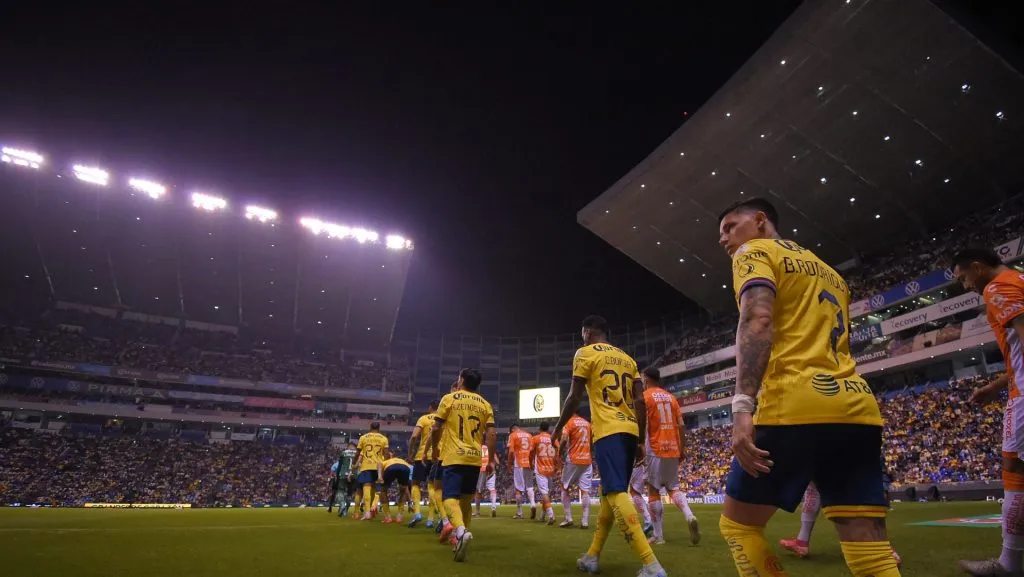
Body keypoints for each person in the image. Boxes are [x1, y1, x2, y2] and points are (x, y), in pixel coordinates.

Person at [716, 197, 900, 577]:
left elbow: (757, 318)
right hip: (856, 411)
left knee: (738, 525)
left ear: (761, 221)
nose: (723, 239)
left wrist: (741, 405)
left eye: (729, 227)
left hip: (794, 406)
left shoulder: (755, 251)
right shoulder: (830, 272)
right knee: (871, 551)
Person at [553, 315, 667, 577]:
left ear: (589, 331)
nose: (582, 335)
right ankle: (592, 556)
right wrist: (639, 438)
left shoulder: (585, 353)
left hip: (608, 430)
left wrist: (558, 428)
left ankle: (651, 564)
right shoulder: (628, 359)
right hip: (629, 430)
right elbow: (640, 401)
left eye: (583, 331)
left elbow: (574, 396)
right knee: (607, 495)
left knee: (616, 493)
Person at [952, 247, 1024, 576]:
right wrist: (994, 387)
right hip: (1014, 386)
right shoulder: (1019, 280)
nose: (966, 285)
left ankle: (1007, 565)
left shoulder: (997, 288)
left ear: (978, 268)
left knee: (1014, 472)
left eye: (964, 277)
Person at [431, 368, 496, 562]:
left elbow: (436, 427)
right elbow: (491, 434)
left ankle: (460, 532)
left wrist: (435, 449)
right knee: (466, 502)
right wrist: (491, 459)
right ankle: (461, 537)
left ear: (461, 380)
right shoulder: (485, 404)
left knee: (449, 498)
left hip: (454, 456)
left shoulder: (450, 398)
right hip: (475, 459)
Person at [641, 366, 699, 545]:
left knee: (653, 489)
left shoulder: (645, 397)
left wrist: (640, 447)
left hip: (655, 448)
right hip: (673, 447)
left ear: (646, 379)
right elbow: (681, 426)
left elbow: (642, 425)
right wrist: (682, 449)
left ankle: (658, 536)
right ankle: (689, 515)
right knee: (674, 487)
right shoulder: (672, 398)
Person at [559, 409, 593, 529]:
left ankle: (568, 518)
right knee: (585, 491)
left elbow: (563, 439)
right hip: (587, 460)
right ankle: (585, 521)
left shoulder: (569, 422)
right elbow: (592, 442)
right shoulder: (588, 424)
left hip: (573, 459)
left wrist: (559, 452)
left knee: (564, 487)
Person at [407, 400, 439, 528]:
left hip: (422, 456)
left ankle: (418, 513)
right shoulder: (443, 419)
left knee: (415, 483)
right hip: (437, 456)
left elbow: (414, 436)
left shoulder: (424, 419)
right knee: (433, 486)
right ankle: (431, 520)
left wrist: (410, 452)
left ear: (430, 407)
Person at [353, 423, 389, 521]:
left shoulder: (363, 438)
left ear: (370, 427)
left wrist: (354, 463)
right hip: (379, 467)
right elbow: (386, 453)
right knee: (373, 488)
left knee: (365, 487)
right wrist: (386, 464)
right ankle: (369, 510)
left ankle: (367, 512)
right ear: (379, 428)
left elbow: (358, 452)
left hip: (366, 465)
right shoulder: (384, 438)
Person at [530, 422, 558, 524]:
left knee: (544, 493)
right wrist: (557, 464)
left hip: (541, 469)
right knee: (546, 494)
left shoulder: (536, 438)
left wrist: (530, 462)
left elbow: (531, 452)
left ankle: (551, 516)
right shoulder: (552, 438)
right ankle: (542, 516)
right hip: (550, 469)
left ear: (539, 428)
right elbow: (558, 449)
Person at [377, 449, 414, 524]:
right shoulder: (401, 461)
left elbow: (379, 464)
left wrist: (380, 476)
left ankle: (388, 517)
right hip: (405, 468)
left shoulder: (386, 461)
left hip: (391, 468)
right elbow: (406, 488)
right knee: (403, 491)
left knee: (383, 491)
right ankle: (399, 517)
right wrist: (410, 502)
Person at [508, 424, 536, 519]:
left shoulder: (513, 435)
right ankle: (532, 504)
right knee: (529, 486)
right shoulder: (529, 435)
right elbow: (533, 450)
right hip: (528, 462)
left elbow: (511, 451)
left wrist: (509, 464)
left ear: (512, 430)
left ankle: (519, 512)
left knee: (518, 489)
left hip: (518, 463)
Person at [328, 441, 358, 517]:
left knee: (340, 491)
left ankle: (342, 504)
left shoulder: (343, 453)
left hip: (343, 474)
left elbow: (340, 465)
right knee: (350, 493)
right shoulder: (358, 454)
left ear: (348, 446)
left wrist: (337, 476)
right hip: (354, 475)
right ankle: (346, 511)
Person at [473, 442, 498, 517]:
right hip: (491, 472)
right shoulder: (490, 448)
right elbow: (497, 461)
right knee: (492, 489)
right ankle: (493, 508)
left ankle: (477, 512)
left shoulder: (475, 447)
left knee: (478, 492)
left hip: (481, 470)